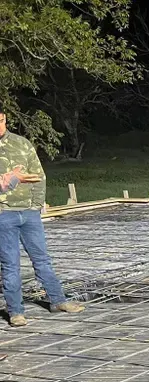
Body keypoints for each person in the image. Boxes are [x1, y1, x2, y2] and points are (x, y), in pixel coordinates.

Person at [0, 109, 83, 326]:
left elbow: (38, 176)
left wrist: (36, 205)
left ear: (5, 120)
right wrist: (11, 180)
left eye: (1, 121)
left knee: (42, 260)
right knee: (10, 265)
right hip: (3, 214)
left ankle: (57, 300)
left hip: (28, 213)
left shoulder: (22, 144)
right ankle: (16, 312)